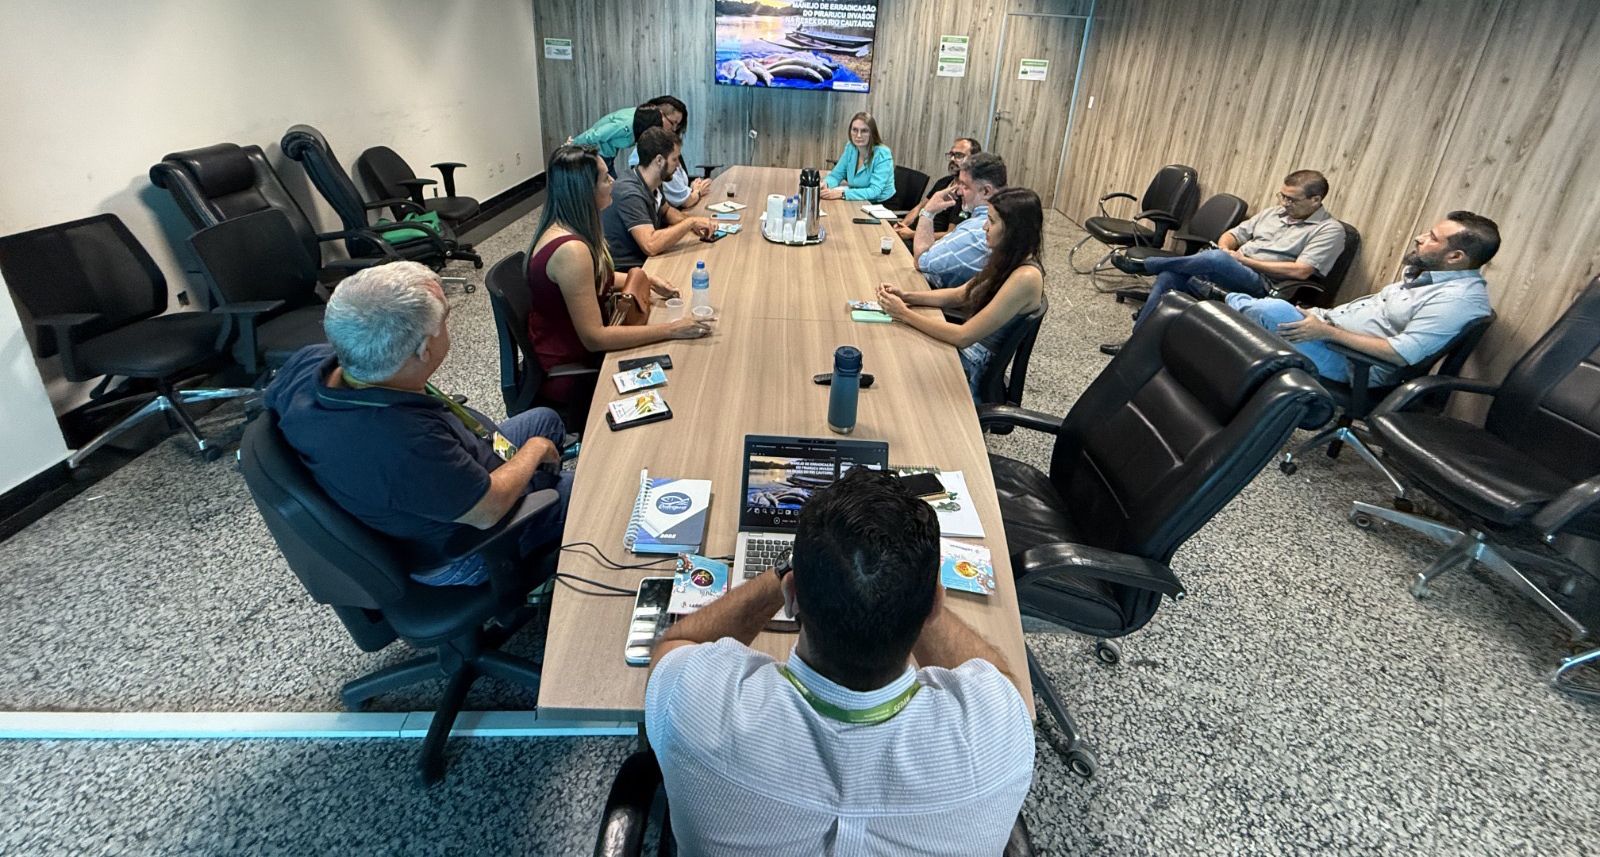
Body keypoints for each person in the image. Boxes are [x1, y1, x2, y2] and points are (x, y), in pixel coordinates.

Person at [645, 468, 1034, 856]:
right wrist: (905, 590)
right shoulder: (998, 731)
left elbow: (678, 642)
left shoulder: (694, 704)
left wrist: (786, 571)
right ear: (935, 606)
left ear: (792, 595)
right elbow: (999, 678)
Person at [264, 262, 571, 587]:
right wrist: (534, 452)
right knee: (586, 489)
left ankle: (548, 491)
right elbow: (488, 511)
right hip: (468, 543)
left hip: (449, 471)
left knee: (545, 420)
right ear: (424, 350)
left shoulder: (310, 362)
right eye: (444, 321)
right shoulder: (401, 441)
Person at [526, 145, 713, 403]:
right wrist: (671, 329)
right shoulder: (572, 251)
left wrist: (649, 280)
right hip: (575, 369)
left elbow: (591, 280)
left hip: (578, 351)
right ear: (585, 190)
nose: (613, 181)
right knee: (684, 374)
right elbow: (595, 338)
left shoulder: (563, 228)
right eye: (605, 178)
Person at [1225, 211, 1499, 386]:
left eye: (1433, 238)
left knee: (1267, 311)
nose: (1420, 237)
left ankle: (1221, 301)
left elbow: (1401, 353)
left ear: (1455, 257)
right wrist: (1321, 321)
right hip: (1327, 333)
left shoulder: (1457, 300)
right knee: (1247, 324)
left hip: (1354, 364)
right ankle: (1222, 305)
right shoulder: (1428, 276)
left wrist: (1326, 331)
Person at [1101, 169, 1345, 355]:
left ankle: (1147, 265)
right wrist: (1228, 249)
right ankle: (1136, 344)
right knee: (1171, 277)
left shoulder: (1329, 230)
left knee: (1215, 258)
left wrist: (1242, 261)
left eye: (1293, 200)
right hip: (1233, 266)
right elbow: (1233, 234)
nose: (1285, 203)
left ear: (1315, 200)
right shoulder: (1274, 213)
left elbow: (1302, 271)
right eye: (1283, 196)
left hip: (1265, 284)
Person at [877, 187, 1045, 402]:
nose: (985, 226)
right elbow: (961, 294)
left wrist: (904, 314)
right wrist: (907, 296)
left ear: (1014, 229)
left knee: (893, 359)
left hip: (973, 366)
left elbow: (963, 336)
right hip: (969, 352)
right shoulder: (1007, 258)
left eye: (992, 222)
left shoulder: (1025, 277)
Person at [601, 128, 716, 272]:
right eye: (675, 159)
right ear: (659, 160)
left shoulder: (654, 181)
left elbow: (666, 210)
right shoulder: (629, 192)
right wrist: (690, 222)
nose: (679, 165)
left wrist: (695, 225)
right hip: (630, 271)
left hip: (645, 262)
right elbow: (650, 245)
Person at [914, 152, 1007, 289]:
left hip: (933, 296)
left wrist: (928, 213)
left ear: (986, 191)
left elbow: (921, 261)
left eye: (965, 186)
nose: (958, 192)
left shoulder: (976, 231)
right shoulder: (1006, 216)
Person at [625, 96, 713, 209]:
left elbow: (667, 208)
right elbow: (684, 201)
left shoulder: (657, 191)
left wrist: (691, 189)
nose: (675, 129)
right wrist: (697, 192)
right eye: (673, 123)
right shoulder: (653, 159)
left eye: (678, 125)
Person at [571, 95, 687, 175]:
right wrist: (571, 145)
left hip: (608, 156)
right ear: (661, 114)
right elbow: (596, 135)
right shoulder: (627, 123)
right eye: (673, 123)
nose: (674, 129)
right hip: (598, 156)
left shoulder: (645, 121)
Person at [894, 137, 980, 244]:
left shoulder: (966, 194)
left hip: (927, 244)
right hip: (911, 235)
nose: (952, 159)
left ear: (974, 160)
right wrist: (902, 226)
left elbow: (951, 234)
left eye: (958, 155)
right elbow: (920, 207)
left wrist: (911, 234)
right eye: (951, 155)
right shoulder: (943, 182)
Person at [820, 111, 895, 203]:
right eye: (855, 130)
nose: (858, 135)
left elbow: (874, 191)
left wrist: (842, 194)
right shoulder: (851, 147)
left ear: (872, 133)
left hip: (880, 204)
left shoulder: (882, 153)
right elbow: (836, 175)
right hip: (858, 199)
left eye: (864, 131)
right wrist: (825, 184)